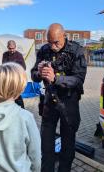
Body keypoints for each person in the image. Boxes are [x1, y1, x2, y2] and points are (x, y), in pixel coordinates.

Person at [31, 23, 87, 172]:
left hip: (69, 103)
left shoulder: (76, 50)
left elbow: (78, 79)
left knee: (67, 146)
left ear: (64, 35)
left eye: (56, 42)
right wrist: (40, 73)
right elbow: (33, 75)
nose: (53, 46)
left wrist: (56, 79)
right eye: (49, 42)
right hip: (50, 101)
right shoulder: (44, 50)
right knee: (46, 145)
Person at [2, 40, 26, 108]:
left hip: (16, 79)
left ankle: (22, 109)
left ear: (15, 47)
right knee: (8, 96)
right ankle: (11, 109)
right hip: (8, 78)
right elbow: (3, 65)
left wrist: (15, 70)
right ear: (7, 47)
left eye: (13, 48)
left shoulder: (19, 55)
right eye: (10, 48)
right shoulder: (5, 55)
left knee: (17, 95)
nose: (12, 50)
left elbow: (24, 67)